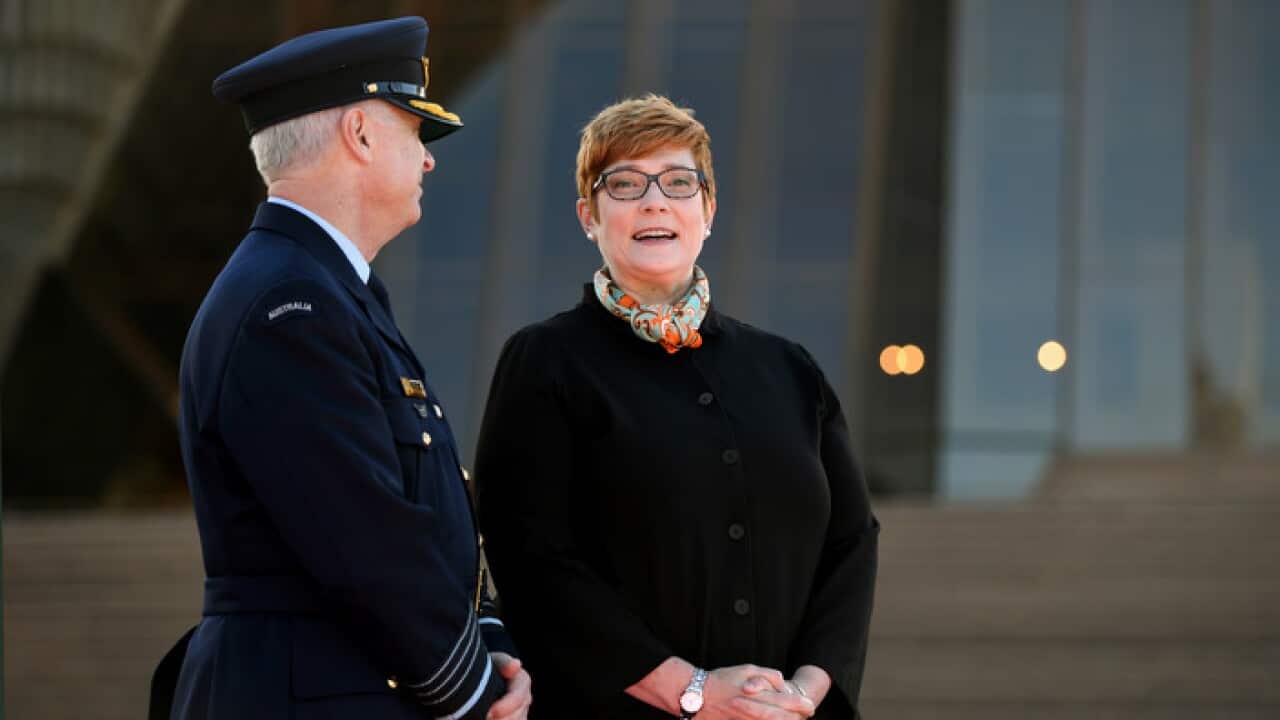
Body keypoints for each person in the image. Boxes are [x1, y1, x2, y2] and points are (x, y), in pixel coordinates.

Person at [150, 17, 531, 720]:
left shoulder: (328, 291)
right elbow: (366, 541)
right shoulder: (289, 306)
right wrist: (472, 691)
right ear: (359, 133)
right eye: (415, 133)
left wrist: (486, 633)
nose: (428, 161)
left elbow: (425, 512)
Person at [474, 94, 878, 720]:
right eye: (626, 184)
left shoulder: (789, 368)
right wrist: (693, 692)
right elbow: (531, 561)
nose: (655, 200)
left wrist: (806, 692)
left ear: (708, 210)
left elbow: (852, 541)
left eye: (679, 183)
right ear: (589, 215)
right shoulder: (545, 362)